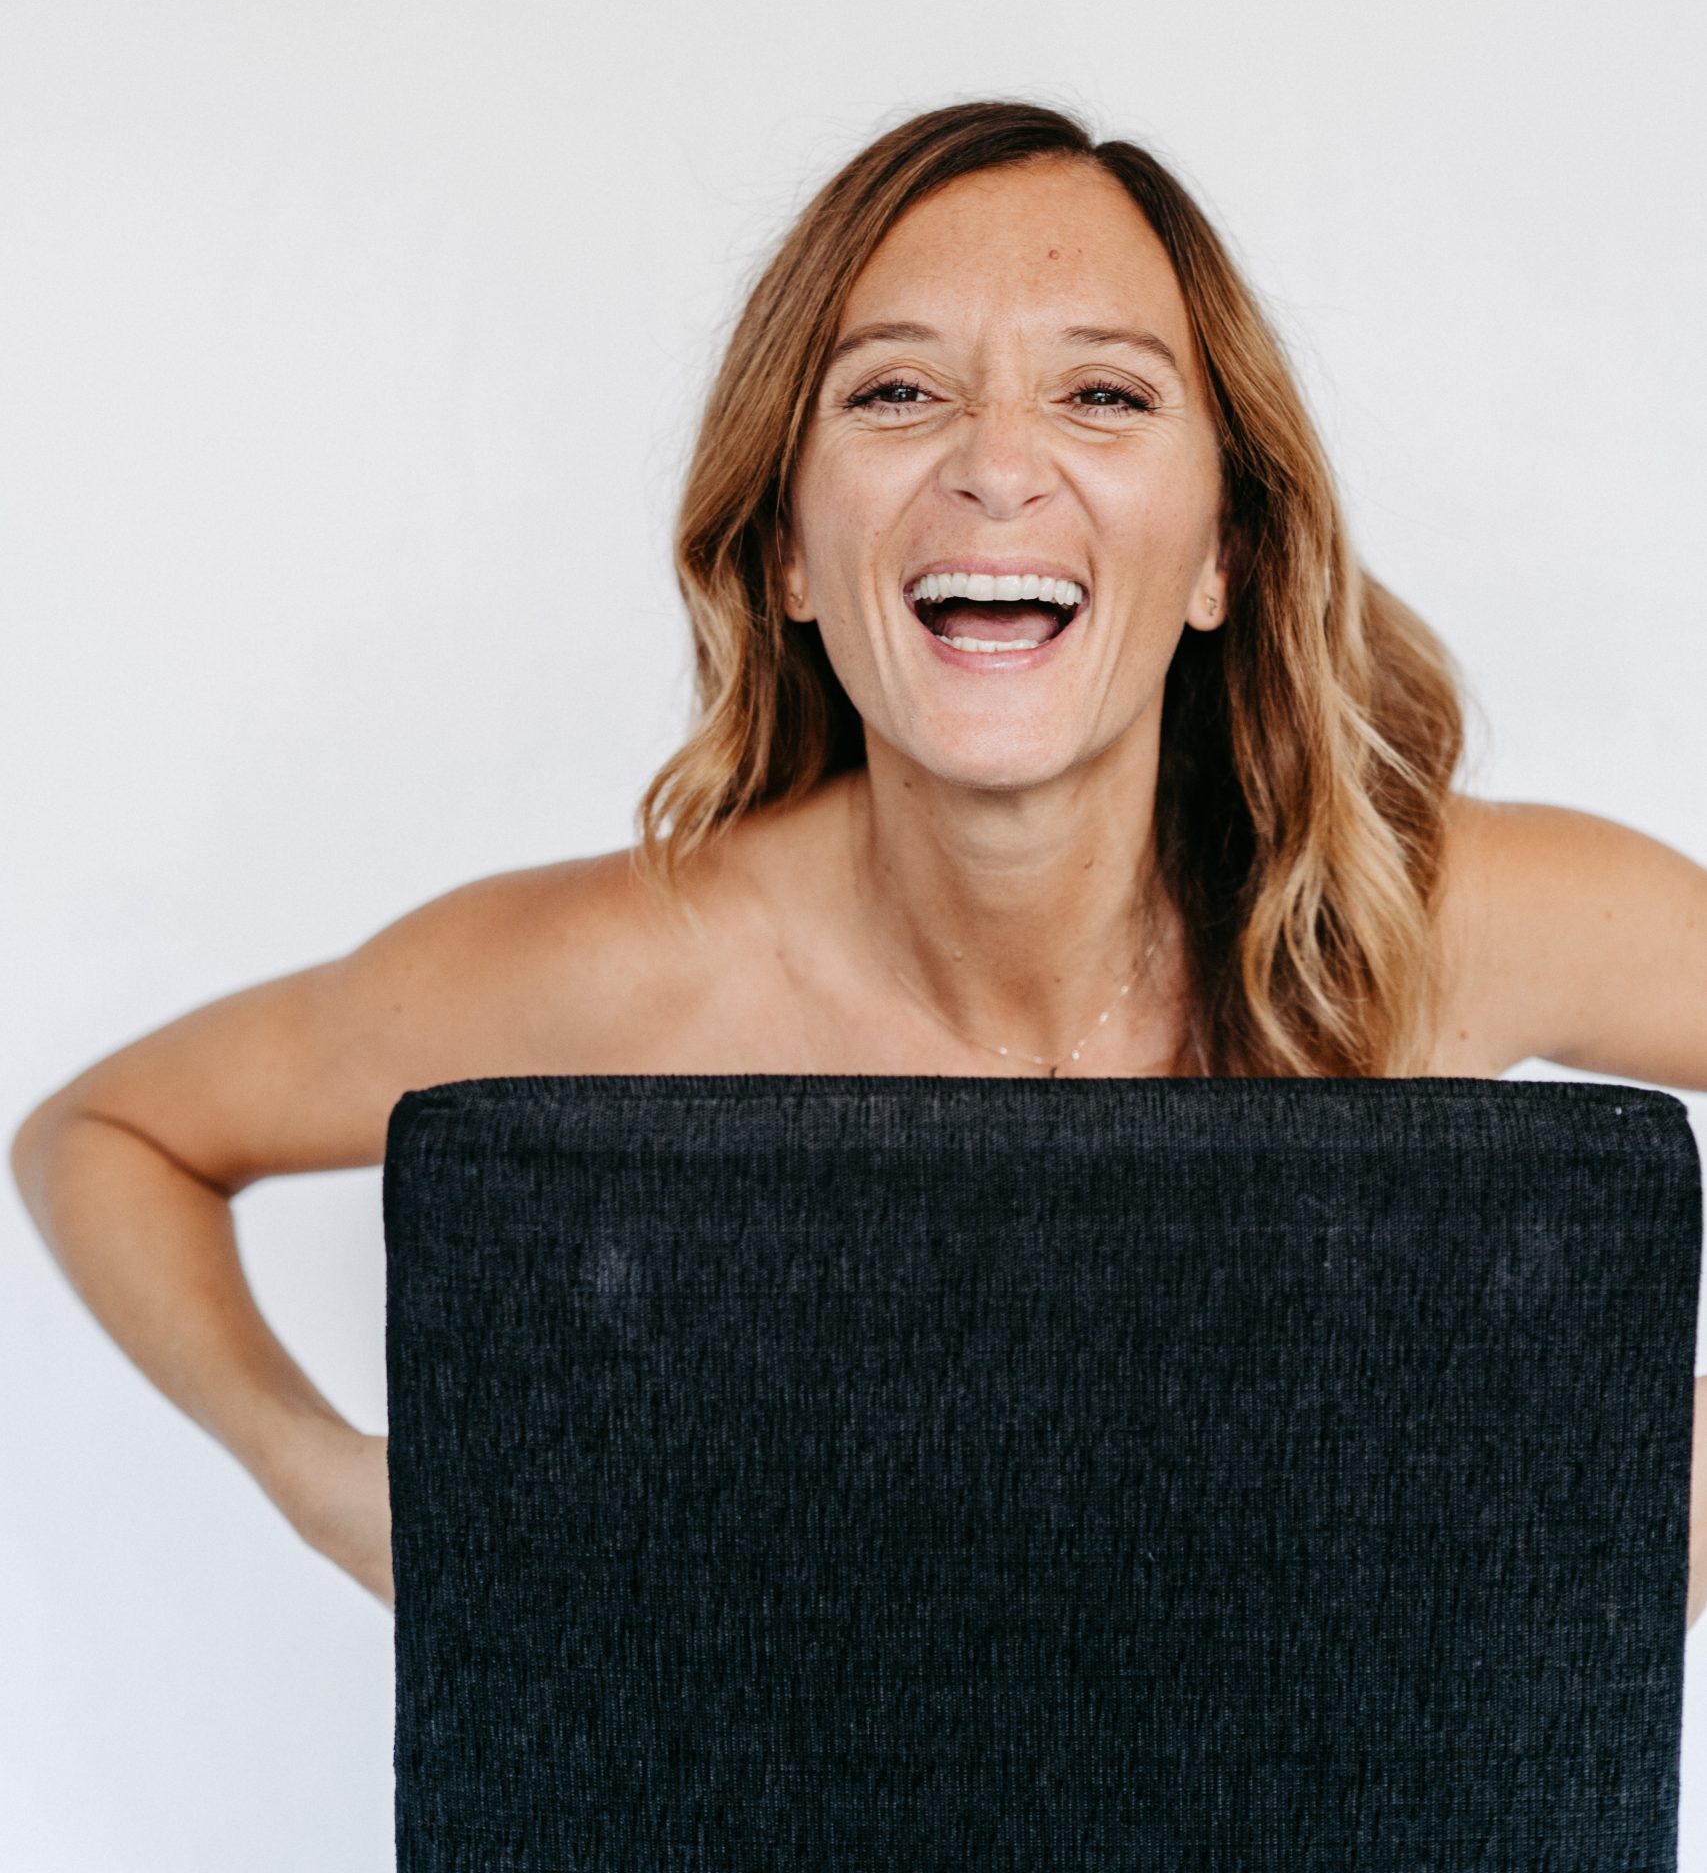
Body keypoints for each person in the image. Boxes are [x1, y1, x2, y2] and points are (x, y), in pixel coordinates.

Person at [12, 98, 1707, 1623]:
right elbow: (108, 1133)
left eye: (1103, 395)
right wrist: (331, 1487)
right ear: (789, 554)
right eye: (897, 393)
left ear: (1223, 556)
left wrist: (1668, 1502)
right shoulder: (635, 970)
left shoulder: (1436, 921)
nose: (996, 468)